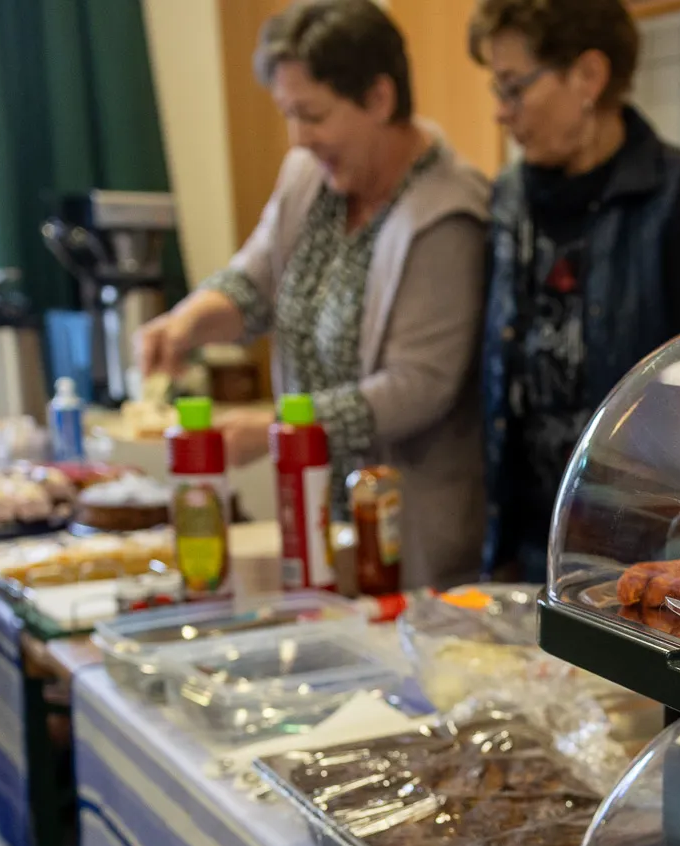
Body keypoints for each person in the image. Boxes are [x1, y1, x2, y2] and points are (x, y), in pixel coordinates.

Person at [136, 0, 490, 589]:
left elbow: (418, 387)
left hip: (407, 534)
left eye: (313, 114)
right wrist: (187, 322)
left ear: (379, 98)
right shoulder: (311, 176)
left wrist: (279, 430)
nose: (299, 137)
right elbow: (254, 280)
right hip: (318, 518)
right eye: (288, 115)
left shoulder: (448, 214)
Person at [470, 0, 680, 581]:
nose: (500, 111)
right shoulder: (510, 197)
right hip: (524, 549)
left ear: (589, 76)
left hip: (639, 556)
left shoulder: (678, 195)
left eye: (514, 87)